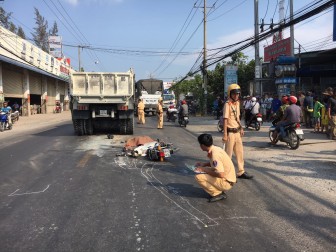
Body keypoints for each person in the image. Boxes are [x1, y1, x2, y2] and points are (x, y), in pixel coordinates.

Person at [222, 84, 253, 179]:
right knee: (228, 154)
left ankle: (241, 171)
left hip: (237, 132)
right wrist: (225, 134)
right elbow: (225, 120)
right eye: (234, 94)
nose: (236, 96)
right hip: (230, 133)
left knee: (240, 153)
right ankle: (226, 173)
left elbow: (237, 118)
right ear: (230, 94)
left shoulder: (237, 103)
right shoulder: (227, 104)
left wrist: (241, 128)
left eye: (238, 94)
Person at [194, 133, 236, 203]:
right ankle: (217, 189)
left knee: (199, 177)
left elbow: (221, 174)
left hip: (226, 182)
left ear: (202, 145)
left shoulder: (215, 155)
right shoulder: (215, 148)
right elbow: (216, 164)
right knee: (204, 170)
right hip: (228, 179)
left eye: (200, 144)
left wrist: (204, 169)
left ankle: (217, 193)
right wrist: (204, 165)